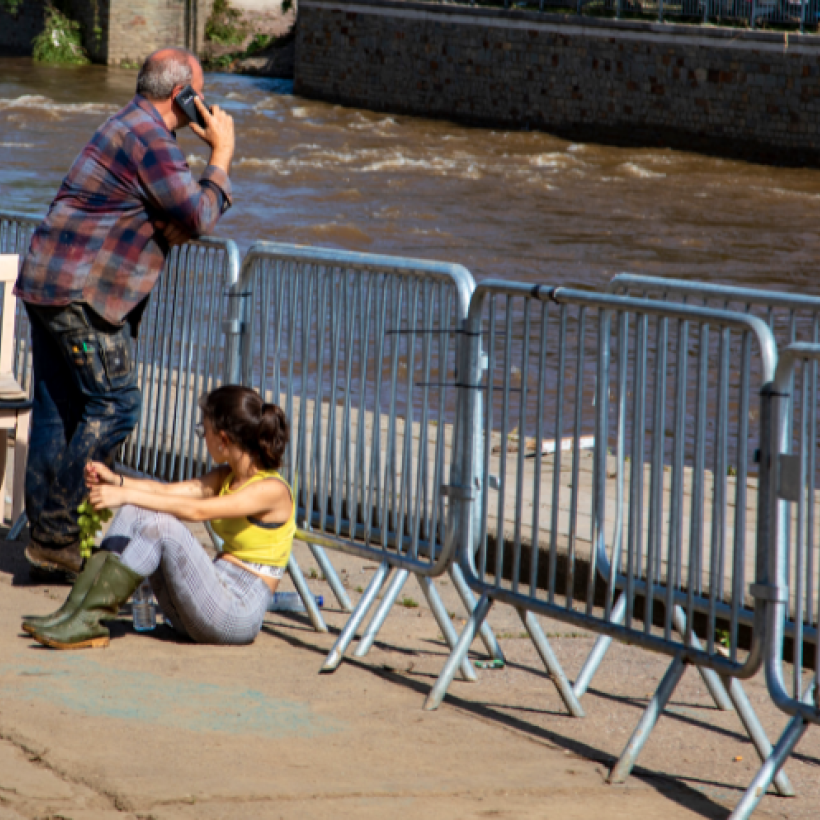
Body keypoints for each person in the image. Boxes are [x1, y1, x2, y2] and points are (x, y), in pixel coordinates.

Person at [15, 47, 235, 580]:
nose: (204, 102)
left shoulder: (124, 125)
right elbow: (199, 215)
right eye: (199, 93)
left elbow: (174, 215)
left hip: (48, 283)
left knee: (58, 413)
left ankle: (49, 545)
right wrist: (222, 156)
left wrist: (178, 219)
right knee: (117, 404)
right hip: (81, 297)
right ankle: (63, 530)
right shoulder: (153, 140)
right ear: (182, 94)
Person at [21, 386, 295, 650]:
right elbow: (167, 491)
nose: (203, 437)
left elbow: (197, 511)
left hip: (237, 612)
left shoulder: (271, 490)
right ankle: (76, 611)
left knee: (163, 527)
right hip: (203, 602)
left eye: (204, 431)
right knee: (133, 512)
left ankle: (88, 618)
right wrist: (117, 481)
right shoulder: (227, 476)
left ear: (223, 439)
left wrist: (123, 494)